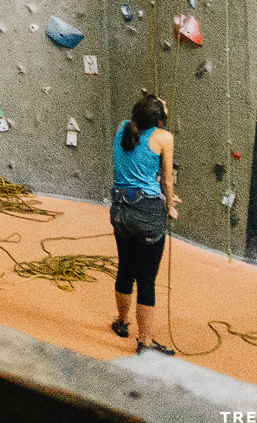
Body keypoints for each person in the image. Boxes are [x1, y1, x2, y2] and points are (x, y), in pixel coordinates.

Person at [110, 91, 179, 355]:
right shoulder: (164, 137)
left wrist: (155, 106)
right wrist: (170, 206)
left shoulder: (123, 128)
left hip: (120, 209)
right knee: (147, 280)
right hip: (147, 211)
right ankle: (145, 342)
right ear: (159, 119)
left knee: (125, 268)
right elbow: (167, 180)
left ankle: (122, 322)